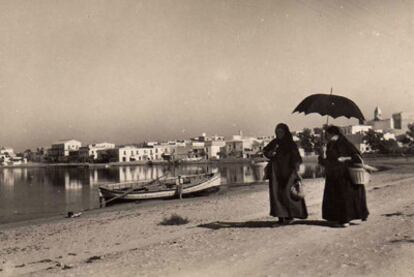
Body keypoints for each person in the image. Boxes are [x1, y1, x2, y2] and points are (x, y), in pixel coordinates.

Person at [318, 125, 369, 227]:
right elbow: (327, 162)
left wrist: (344, 158)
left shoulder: (344, 144)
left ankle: (345, 219)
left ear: (333, 134)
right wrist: (322, 154)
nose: (325, 136)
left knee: (344, 197)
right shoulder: (329, 145)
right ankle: (339, 218)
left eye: (326, 134)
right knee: (336, 197)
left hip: (345, 176)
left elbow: (356, 157)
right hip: (333, 176)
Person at [263, 123, 308, 224]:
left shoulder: (291, 144)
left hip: (289, 173)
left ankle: (290, 217)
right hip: (276, 173)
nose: (278, 134)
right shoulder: (275, 142)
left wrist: (296, 170)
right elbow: (265, 151)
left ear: (285, 132)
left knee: (288, 194)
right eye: (277, 132)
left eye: (281, 132)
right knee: (276, 195)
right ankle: (281, 218)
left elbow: (297, 158)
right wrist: (270, 153)